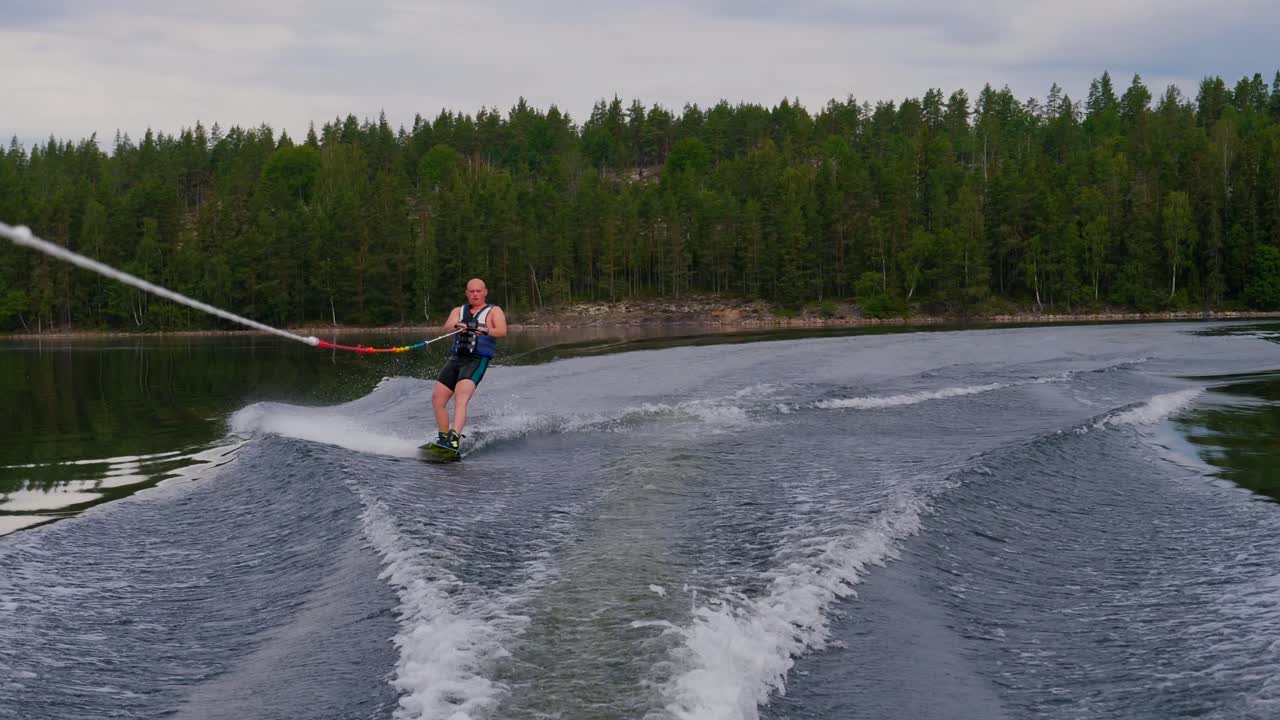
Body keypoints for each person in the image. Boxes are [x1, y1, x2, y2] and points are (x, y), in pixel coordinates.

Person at [432, 278, 507, 451]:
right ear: (467, 293)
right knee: (438, 398)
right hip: (456, 358)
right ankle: (443, 438)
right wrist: (458, 325)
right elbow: (448, 326)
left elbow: (502, 331)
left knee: (461, 397)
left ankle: (454, 439)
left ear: (485, 292)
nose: (475, 294)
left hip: (477, 359)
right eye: (471, 291)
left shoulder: (494, 311)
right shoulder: (459, 311)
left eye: (478, 291)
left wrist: (485, 329)